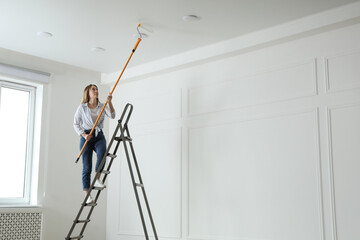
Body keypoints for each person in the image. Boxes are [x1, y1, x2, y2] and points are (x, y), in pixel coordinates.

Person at [73, 84, 115, 204]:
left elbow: (112, 115)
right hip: (86, 137)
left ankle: (97, 179)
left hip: (98, 135)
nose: (96, 91)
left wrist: (109, 102)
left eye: (97, 89)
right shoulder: (82, 108)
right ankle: (87, 195)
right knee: (87, 167)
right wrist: (84, 135)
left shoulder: (102, 106)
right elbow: (76, 124)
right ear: (88, 92)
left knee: (102, 155)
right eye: (93, 89)